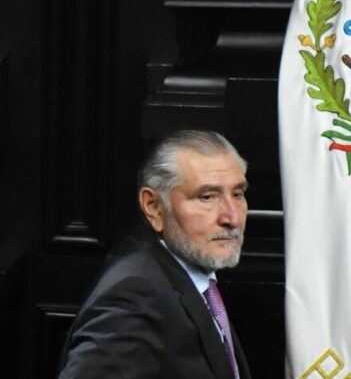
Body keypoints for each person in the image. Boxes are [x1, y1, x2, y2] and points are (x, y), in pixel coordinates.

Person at [59, 130, 252, 379]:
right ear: (153, 206)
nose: (232, 217)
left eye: (237, 194)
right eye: (207, 197)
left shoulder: (190, 277)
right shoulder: (134, 295)